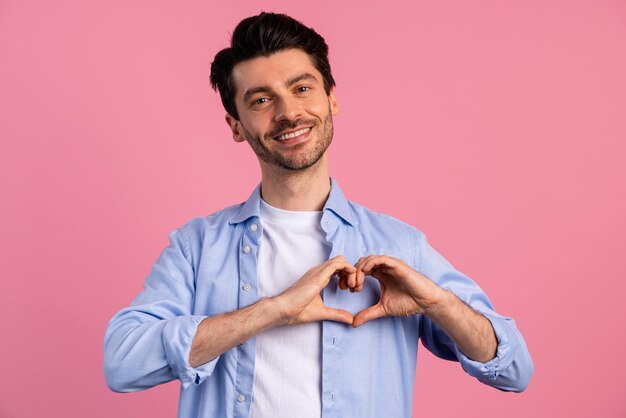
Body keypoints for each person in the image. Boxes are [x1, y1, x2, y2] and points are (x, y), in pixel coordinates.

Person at [104, 12, 533, 418]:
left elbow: (515, 369)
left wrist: (437, 303)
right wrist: (273, 310)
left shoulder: (400, 246)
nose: (288, 112)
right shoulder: (196, 247)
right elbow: (122, 363)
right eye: (260, 99)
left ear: (331, 98)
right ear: (235, 125)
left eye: (302, 88)